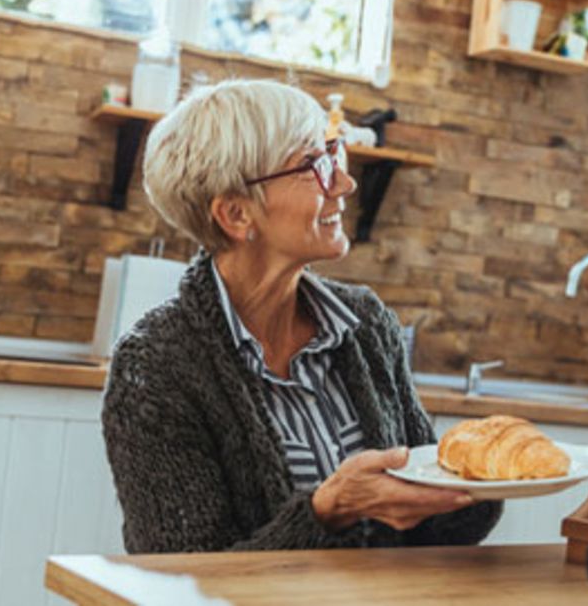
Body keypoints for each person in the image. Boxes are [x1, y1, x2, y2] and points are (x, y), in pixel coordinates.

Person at [102, 79, 500, 552]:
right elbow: (182, 579)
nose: (344, 183)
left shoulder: (366, 324)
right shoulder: (155, 366)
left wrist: (487, 474)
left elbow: (426, 532)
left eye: (335, 155)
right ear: (235, 214)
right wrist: (326, 511)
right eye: (314, 165)